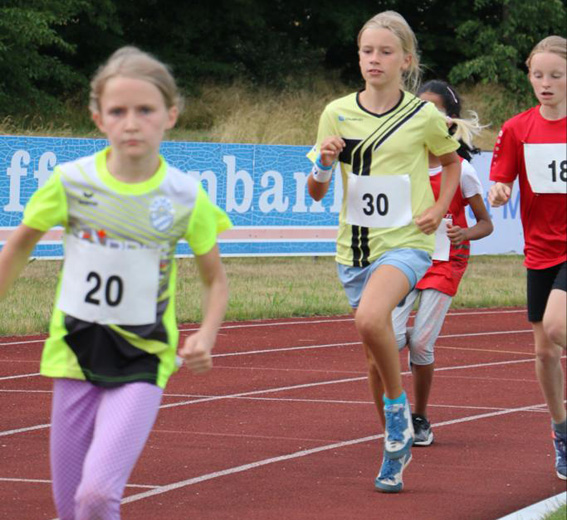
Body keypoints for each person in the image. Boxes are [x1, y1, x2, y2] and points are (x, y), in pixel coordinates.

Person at [0, 46, 231, 518]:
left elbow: (214, 279)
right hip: (73, 354)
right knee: (70, 509)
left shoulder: (185, 195)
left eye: (144, 110)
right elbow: (20, 246)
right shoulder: (70, 182)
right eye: (118, 111)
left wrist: (206, 334)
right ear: (97, 118)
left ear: (170, 115)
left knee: (97, 494)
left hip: (144, 358)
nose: (131, 123)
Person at [307, 11, 461, 493]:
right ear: (358, 58)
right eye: (367, 51)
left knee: (371, 320)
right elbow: (315, 191)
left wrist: (438, 207)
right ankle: (393, 449)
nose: (375, 60)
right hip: (353, 250)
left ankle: (399, 411)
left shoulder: (423, 116)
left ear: (406, 60)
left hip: (407, 244)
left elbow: (452, 163)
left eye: (386, 52)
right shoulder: (335, 112)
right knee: (375, 359)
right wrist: (326, 164)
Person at [392, 80, 493, 446]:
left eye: (431, 110)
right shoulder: (405, 162)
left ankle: (419, 417)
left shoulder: (462, 170)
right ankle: (394, 409)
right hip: (406, 258)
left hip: (445, 262)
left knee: (420, 344)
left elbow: (486, 223)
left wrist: (463, 235)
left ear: (448, 121)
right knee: (389, 338)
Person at [488, 35, 567, 481]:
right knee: (544, 352)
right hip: (539, 248)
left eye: (555, 75)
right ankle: (561, 431)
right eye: (538, 75)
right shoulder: (517, 128)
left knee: (558, 326)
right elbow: (500, 181)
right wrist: (500, 190)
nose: (545, 83)